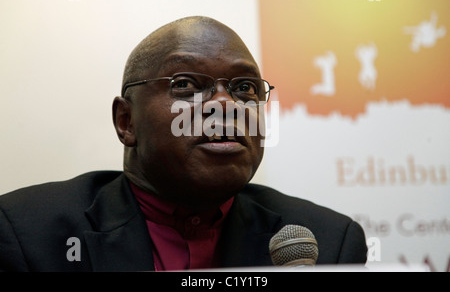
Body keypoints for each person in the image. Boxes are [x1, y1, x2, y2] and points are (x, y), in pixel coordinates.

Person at [0, 16, 367, 271]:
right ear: (126, 122)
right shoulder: (27, 234)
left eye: (245, 88)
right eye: (187, 86)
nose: (226, 105)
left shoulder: (328, 242)